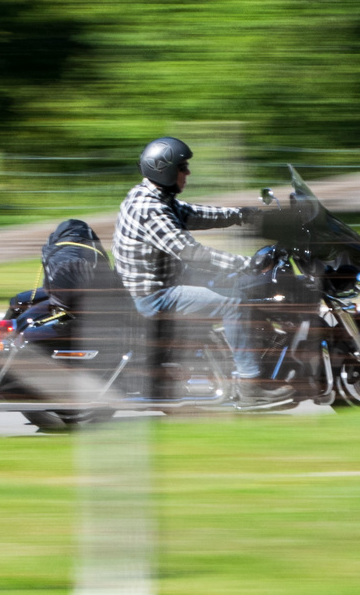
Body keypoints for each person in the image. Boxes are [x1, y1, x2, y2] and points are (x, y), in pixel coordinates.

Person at [112, 136, 289, 407]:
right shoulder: (151, 209)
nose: (188, 172)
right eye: (183, 167)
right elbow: (191, 253)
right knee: (234, 302)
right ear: (166, 170)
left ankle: (240, 353)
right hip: (154, 294)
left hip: (167, 280)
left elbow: (194, 214)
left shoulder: (153, 195)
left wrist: (242, 215)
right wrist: (246, 264)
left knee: (240, 284)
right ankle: (250, 386)